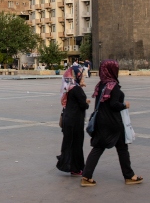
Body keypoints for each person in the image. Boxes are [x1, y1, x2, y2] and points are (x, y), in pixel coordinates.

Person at [81, 59, 143, 187]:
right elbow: (114, 105)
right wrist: (124, 105)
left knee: (100, 148)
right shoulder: (113, 86)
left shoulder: (101, 85)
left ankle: (87, 176)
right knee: (121, 149)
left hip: (101, 122)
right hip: (113, 123)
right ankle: (129, 176)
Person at [56, 65, 90, 176]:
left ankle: (69, 165)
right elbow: (83, 105)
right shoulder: (77, 89)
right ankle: (76, 168)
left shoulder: (69, 87)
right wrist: (86, 102)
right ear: (78, 76)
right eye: (82, 75)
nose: (83, 77)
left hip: (68, 119)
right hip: (75, 121)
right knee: (76, 144)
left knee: (69, 143)